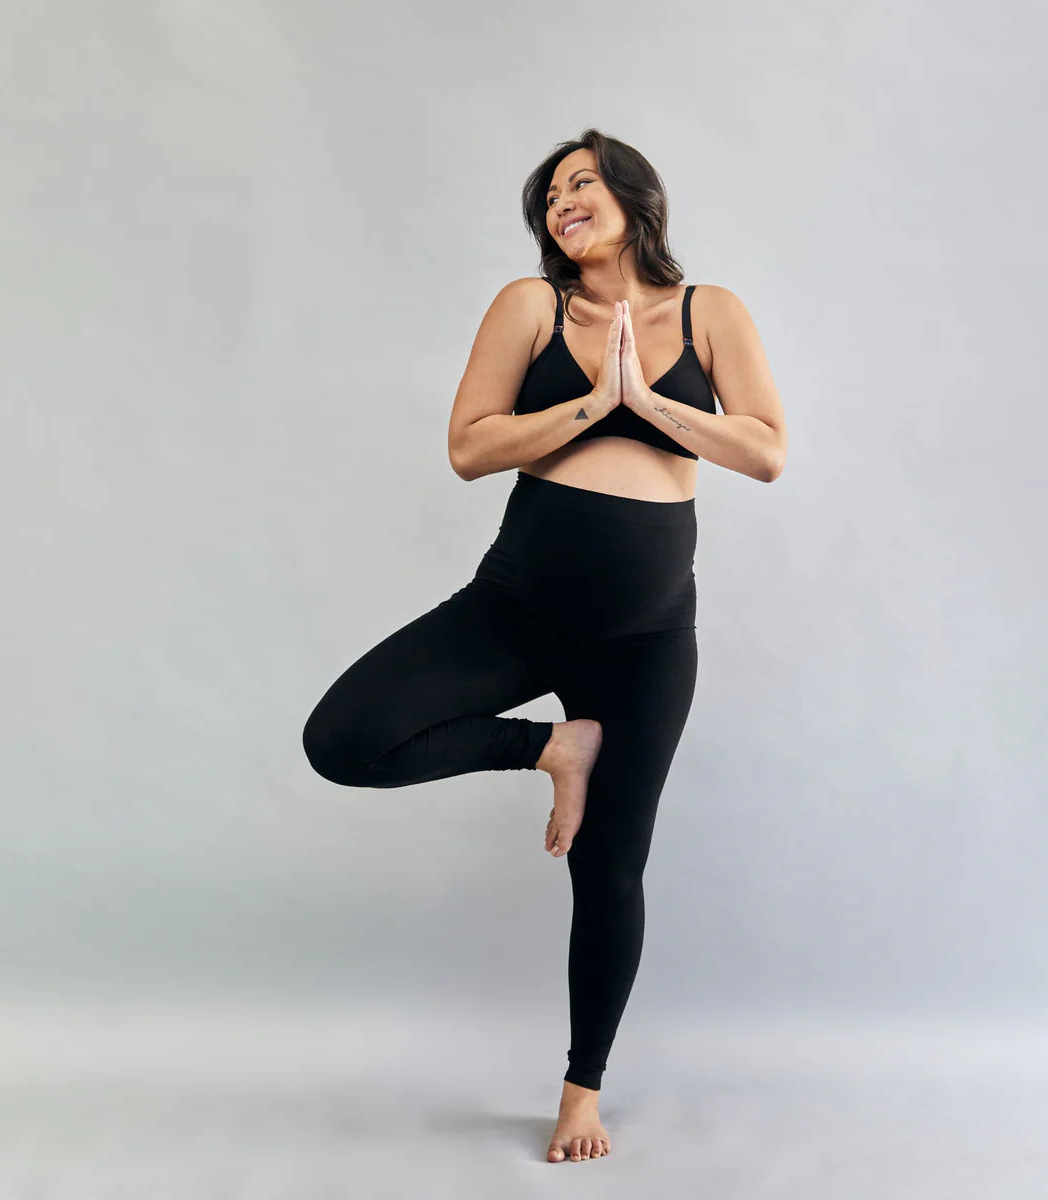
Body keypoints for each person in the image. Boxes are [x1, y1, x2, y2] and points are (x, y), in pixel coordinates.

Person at [302, 129, 787, 1164]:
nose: (564, 203)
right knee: (343, 738)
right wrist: (593, 402)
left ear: (634, 196)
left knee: (611, 870)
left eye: (581, 183)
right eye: (551, 195)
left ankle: (581, 1090)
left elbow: (766, 450)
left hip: (647, 640)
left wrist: (649, 403)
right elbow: (470, 446)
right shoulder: (532, 308)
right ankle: (553, 748)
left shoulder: (711, 313)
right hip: (515, 608)